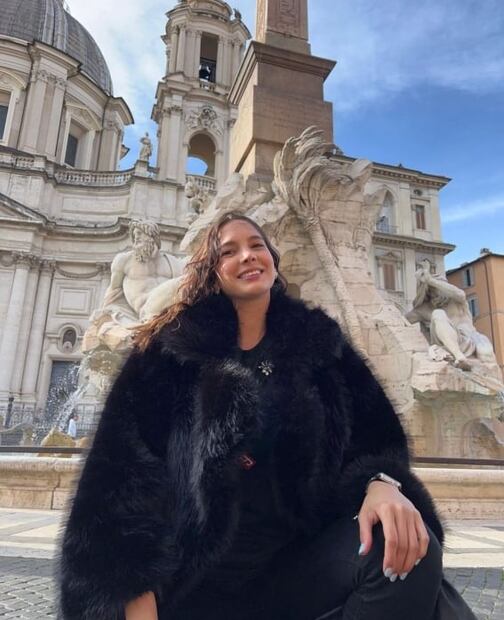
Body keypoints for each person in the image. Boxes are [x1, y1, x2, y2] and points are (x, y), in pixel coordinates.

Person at [58, 213, 476, 620]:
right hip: (192, 580)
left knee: (407, 550)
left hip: (294, 568)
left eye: (257, 245)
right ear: (211, 271)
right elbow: (115, 483)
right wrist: (134, 597)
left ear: (273, 260)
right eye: (229, 251)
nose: (247, 255)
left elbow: (376, 435)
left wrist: (381, 482)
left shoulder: (319, 344)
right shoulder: (168, 353)